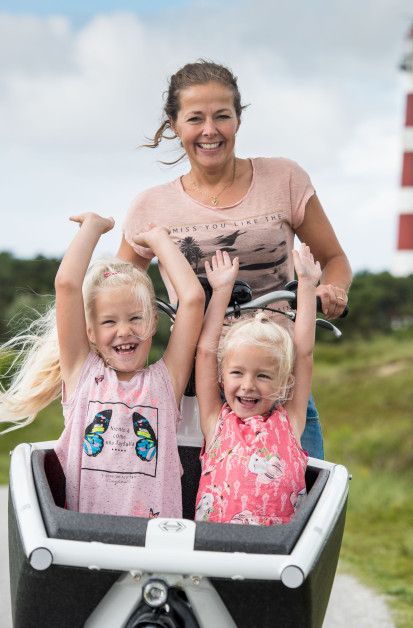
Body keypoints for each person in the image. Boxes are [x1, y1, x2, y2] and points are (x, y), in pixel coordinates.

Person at [118, 60, 352, 459]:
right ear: (175, 124)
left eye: (222, 116)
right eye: (195, 118)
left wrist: (333, 289)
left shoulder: (285, 179)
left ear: (238, 120)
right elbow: (117, 287)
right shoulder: (151, 206)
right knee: (194, 506)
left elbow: (335, 258)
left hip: (277, 380)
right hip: (195, 386)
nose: (210, 131)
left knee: (299, 494)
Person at [0, 213, 205, 518]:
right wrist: (92, 229)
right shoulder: (83, 374)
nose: (124, 331)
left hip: (155, 544)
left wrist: (160, 241)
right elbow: (67, 284)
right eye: (109, 321)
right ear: (90, 333)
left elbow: (192, 299)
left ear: (153, 322)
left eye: (135, 318)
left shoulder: (165, 381)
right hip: (89, 539)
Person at [194, 244, 321, 525]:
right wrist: (221, 292)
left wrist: (308, 287)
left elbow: (303, 355)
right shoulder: (216, 422)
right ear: (221, 377)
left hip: (273, 556)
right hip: (214, 553)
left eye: (263, 376)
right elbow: (205, 353)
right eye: (237, 373)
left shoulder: (291, 421)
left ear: (286, 382)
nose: (248, 385)